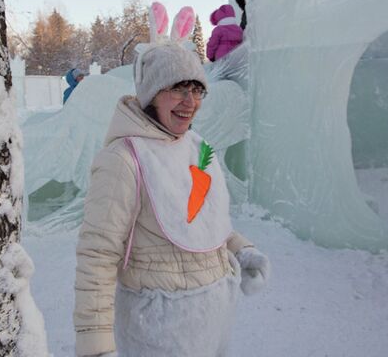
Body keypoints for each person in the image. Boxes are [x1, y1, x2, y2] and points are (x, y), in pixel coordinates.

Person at [73, 42, 271, 357]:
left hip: (214, 321)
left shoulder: (197, 146)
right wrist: (95, 344)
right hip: (158, 333)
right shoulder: (123, 159)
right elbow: (97, 256)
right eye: (178, 89)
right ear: (151, 93)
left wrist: (241, 250)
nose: (190, 102)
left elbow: (202, 218)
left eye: (197, 89)